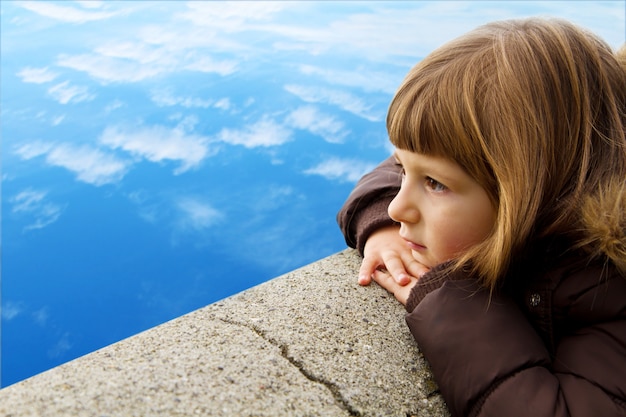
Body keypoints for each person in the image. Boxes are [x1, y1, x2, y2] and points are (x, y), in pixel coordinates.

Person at [337, 18, 626, 416]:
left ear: (525, 194)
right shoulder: (556, 169)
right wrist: (382, 230)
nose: (396, 206)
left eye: (435, 184)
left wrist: (449, 298)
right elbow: (389, 171)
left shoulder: (605, 290)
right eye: (407, 172)